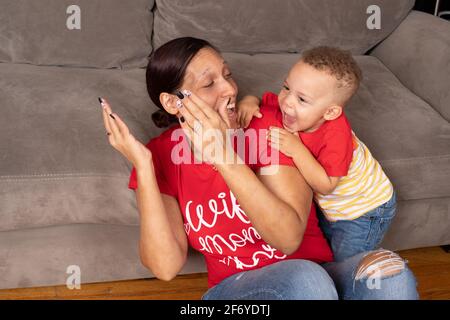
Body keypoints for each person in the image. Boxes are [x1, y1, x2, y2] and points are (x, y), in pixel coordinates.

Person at [101, 37, 418, 299]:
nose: (229, 89)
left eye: (227, 75)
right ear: (173, 103)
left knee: (390, 274)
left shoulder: (266, 126)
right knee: (307, 282)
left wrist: (224, 156)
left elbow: (288, 238)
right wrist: (144, 167)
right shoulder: (161, 155)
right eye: (210, 83)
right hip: (239, 291)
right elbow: (165, 267)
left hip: (319, 274)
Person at [239, 46, 397, 262]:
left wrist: (296, 150)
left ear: (330, 112)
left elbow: (325, 185)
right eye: (286, 87)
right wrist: (249, 101)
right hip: (334, 206)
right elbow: (262, 99)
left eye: (302, 99)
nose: (287, 102)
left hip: (364, 210)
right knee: (326, 245)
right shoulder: (288, 105)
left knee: (346, 262)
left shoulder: (336, 136)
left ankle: (372, 272)